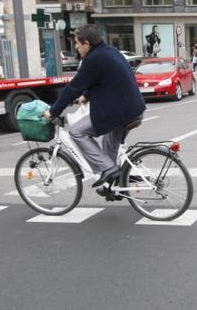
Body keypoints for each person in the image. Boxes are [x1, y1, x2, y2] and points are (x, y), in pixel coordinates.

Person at [44, 24, 146, 189]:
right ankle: (115, 185)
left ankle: (110, 170)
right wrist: (87, 96)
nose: (76, 47)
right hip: (134, 108)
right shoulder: (110, 51)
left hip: (120, 112)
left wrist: (53, 111)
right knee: (107, 144)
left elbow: (73, 88)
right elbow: (106, 80)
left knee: (76, 132)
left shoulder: (93, 59)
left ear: (86, 43)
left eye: (77, 43)